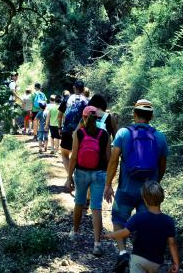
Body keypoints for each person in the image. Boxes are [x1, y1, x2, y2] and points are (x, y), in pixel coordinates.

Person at [104, 99, 169, 271]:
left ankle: (123, 252)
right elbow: (162, 165)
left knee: (118, 219)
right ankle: (139, 259)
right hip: (148, 191)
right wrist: (155, 184)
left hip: (126, 188)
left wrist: (108, 184)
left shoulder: (123, 134)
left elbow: (113, 161)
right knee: (145, 224)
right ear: (152, 116)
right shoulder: (160, 137)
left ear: (134, 114)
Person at [105, 181, 180, 273]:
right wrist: (176, 263)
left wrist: (111, 235)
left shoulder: (138, 217)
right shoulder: (168, 221)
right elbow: (172, 243)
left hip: (138, 258)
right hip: (156, 262)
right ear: (162, 198)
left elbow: (125, 232)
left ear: (144, 199)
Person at [65, 106, 110, 256]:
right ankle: (97, 244)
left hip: (82, 173)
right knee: (96, 207)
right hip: (99, 174)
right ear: (97, 118)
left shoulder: (79, 133)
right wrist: (109, 181)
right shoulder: (104, 134)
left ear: (83, 118)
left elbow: (74, 157)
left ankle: (74, 232)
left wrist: (69, 177)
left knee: (79, 202)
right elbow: (109, 159)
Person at [57, 80, 88, 172]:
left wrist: (59, 128)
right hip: (81, 132)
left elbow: (59, 116)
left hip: (67, 130)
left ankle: (70, 176)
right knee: (79, 155)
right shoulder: (87, 101)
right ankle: (77, 177)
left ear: (74, 88)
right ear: (83, 89)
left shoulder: (67, 99)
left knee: (64, 154)